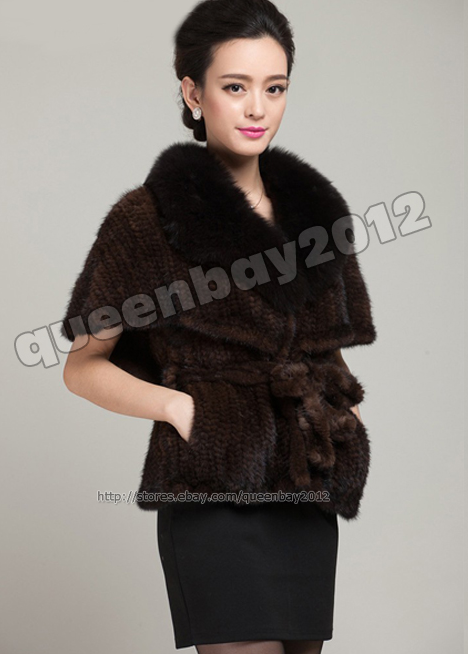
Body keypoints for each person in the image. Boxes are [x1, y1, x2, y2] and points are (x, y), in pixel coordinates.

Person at [61, 1, 377, 652]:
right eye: (235, 87)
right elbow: (82, 366)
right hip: (210, 485)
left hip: (302, 489)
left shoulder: (318, 221)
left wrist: (336, 418)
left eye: (274, 87)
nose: (257, 108)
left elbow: (329, 353)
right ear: (192, 93)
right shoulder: (145, 221)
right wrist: (180, 408)